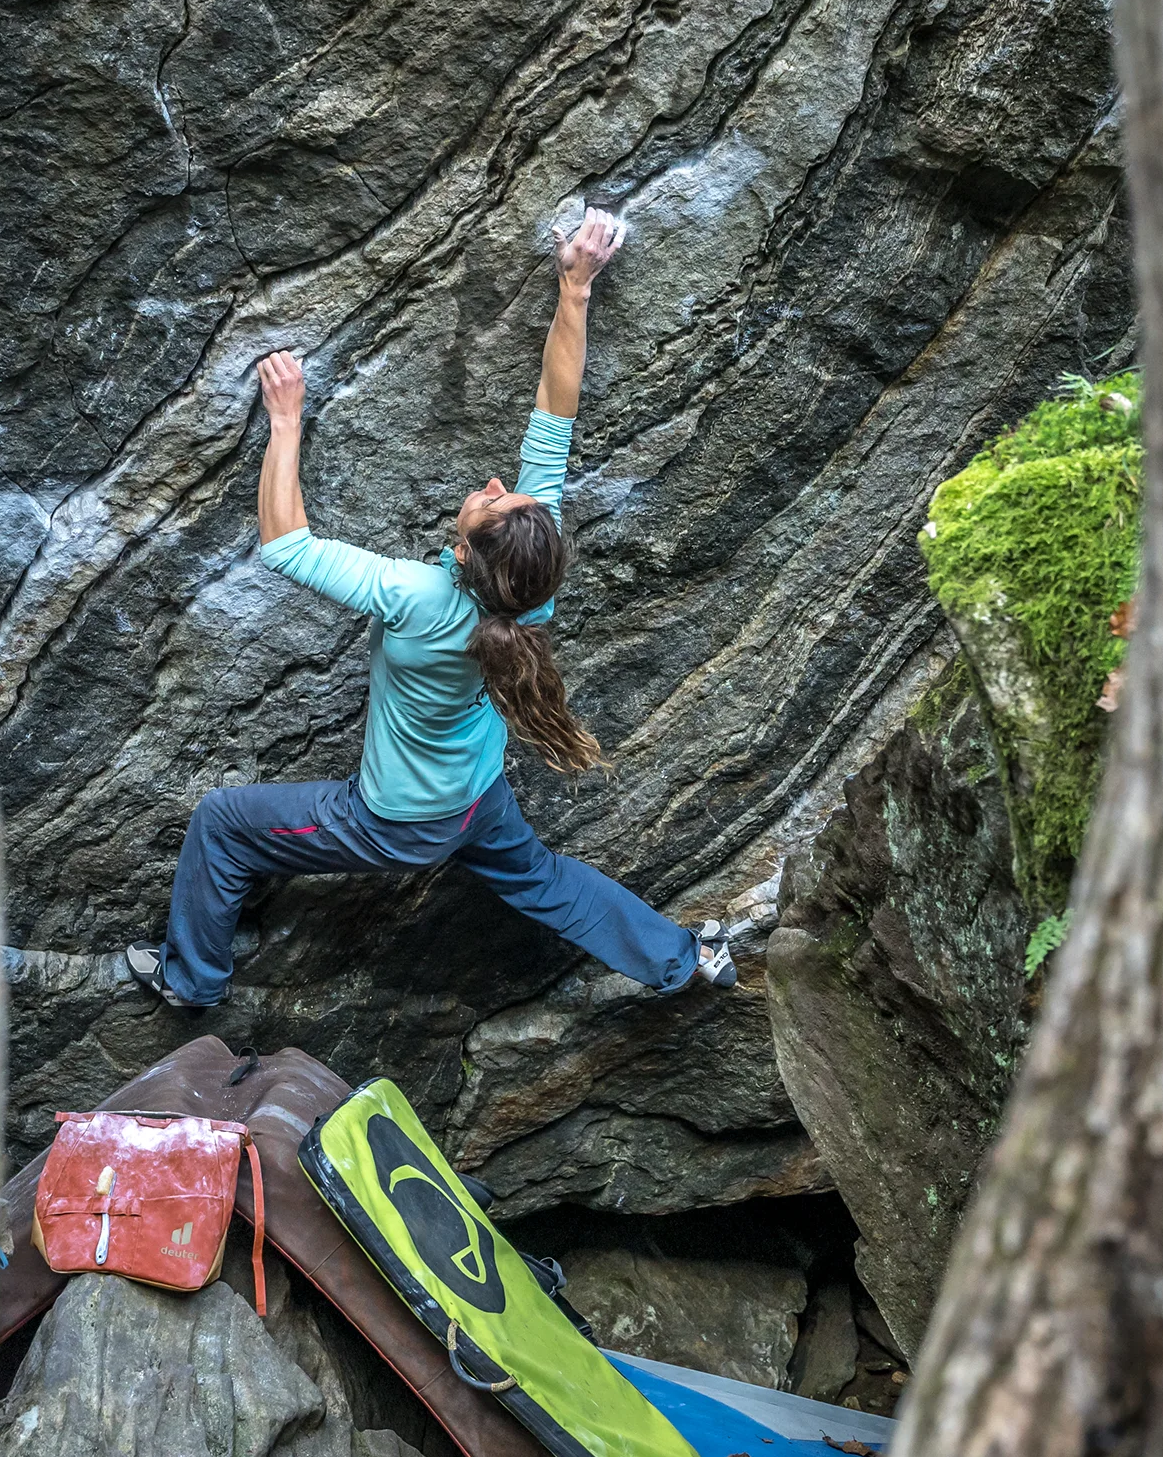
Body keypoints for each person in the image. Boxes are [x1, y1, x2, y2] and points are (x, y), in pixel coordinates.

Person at [127, 209, 736, 1010]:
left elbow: (287, 546)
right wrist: (575, 287)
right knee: (543, 879)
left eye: (489, 502)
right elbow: (556, 416)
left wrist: (284, 421)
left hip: (397, 824)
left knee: (222, 824)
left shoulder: (419, 597)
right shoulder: (530, 577)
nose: (494, 487)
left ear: (460, 557)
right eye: (502, 492)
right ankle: (682, 960)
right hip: (478, 798)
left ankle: (191, 981)